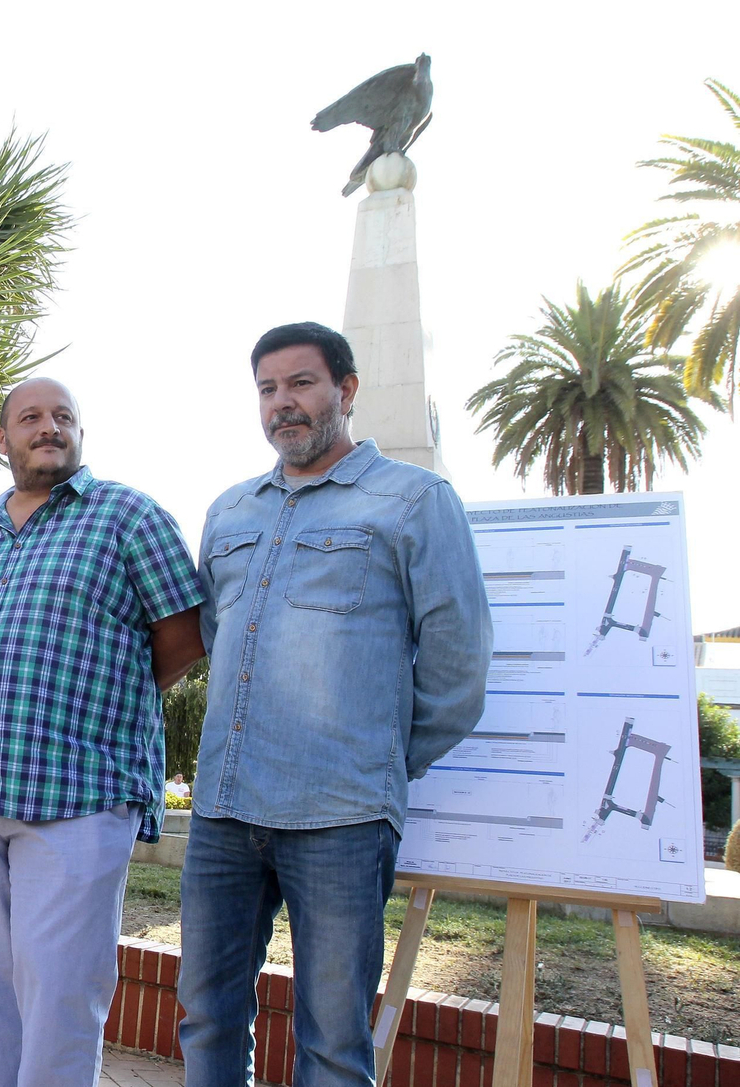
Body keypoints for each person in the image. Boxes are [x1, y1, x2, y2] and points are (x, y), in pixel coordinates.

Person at [179, 322, 492, 1087]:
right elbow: (221, 640)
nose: (282, 403)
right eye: (267, 388)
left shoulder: (416, 502)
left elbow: (458, 667)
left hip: (342, 817)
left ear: (346, 391)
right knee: (206, 1014)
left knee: (331, 1040)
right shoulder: (229, 511)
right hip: (223, 809)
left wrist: (377, 759)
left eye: (301, 383)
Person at [0, 377, 205, 1087]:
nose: (48, 427)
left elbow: (183, 636)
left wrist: (104, 705)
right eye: (31, 417)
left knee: (59, 1000)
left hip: (78, 793)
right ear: (3, 439)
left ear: (80, 433)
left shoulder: (129, 516)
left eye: (63, 417)